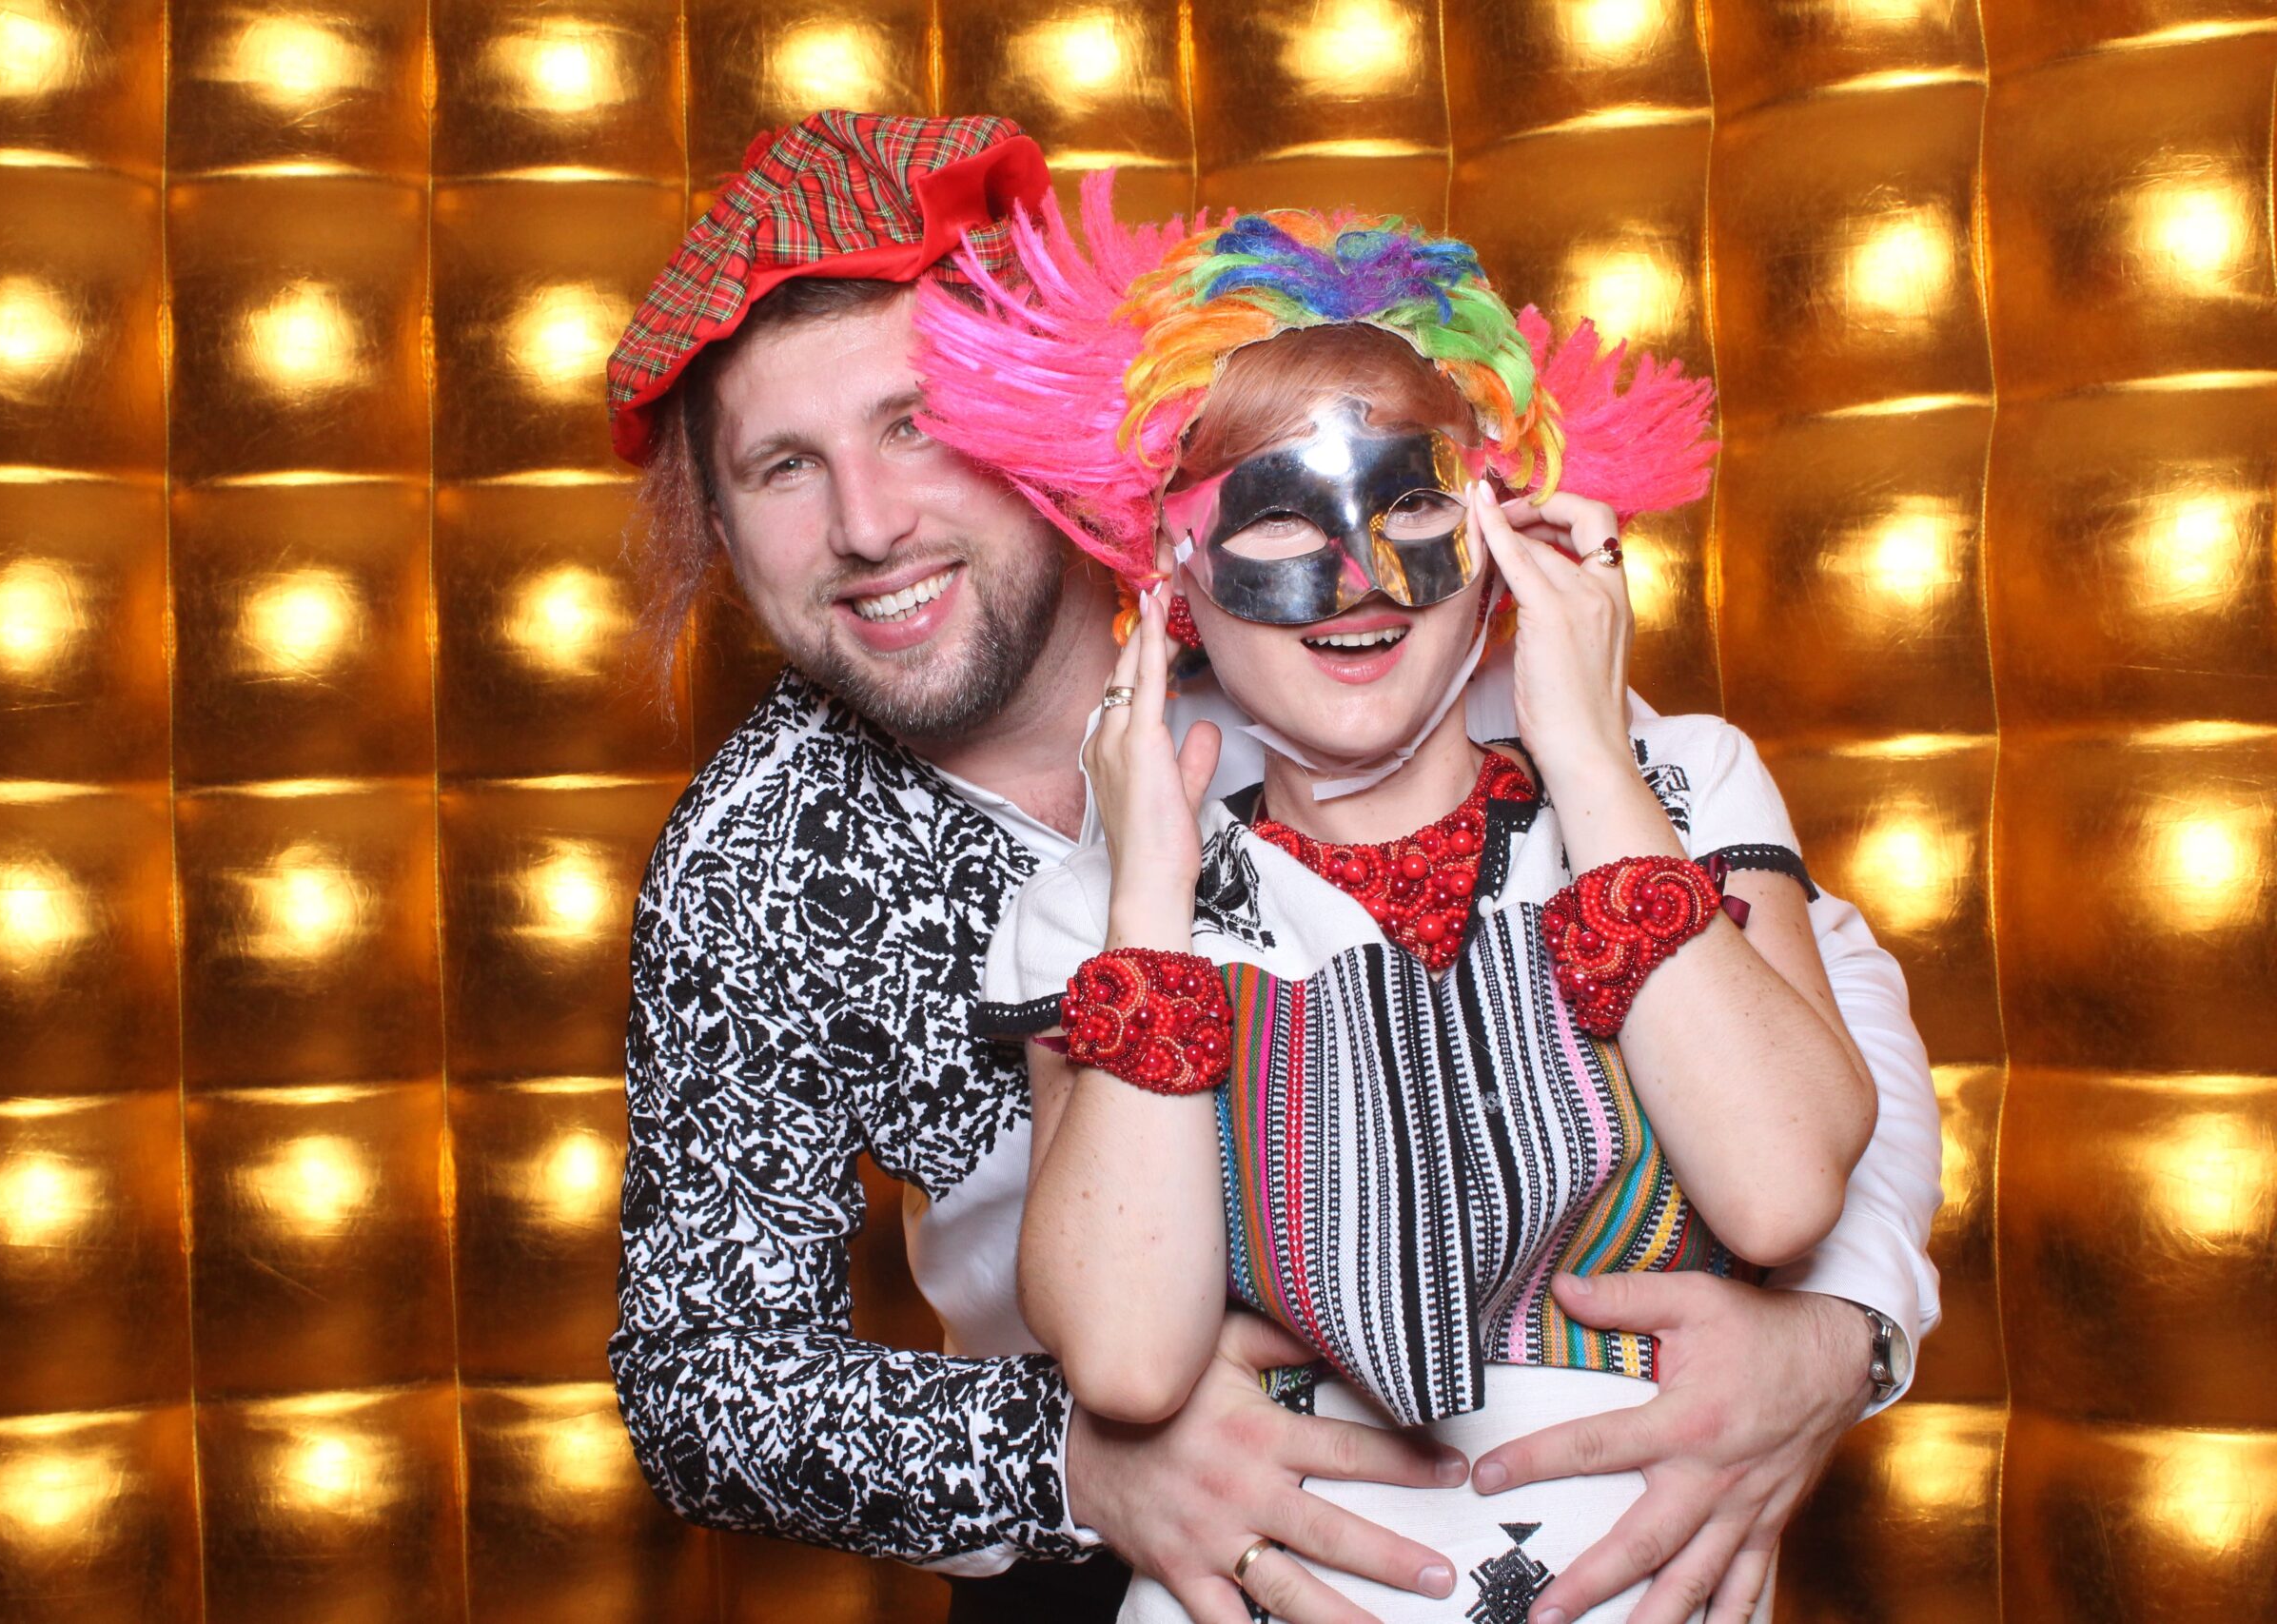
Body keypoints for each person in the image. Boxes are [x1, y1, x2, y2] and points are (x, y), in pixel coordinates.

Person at [606, 110, 1942, 1624]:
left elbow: (1803, 975)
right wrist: (1077, 1464)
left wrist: (1842, 1328)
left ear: (1029, 415)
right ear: (722, 526)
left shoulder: (1356, 622)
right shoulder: (755, 865)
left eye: (913, 424)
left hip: (1579, 1472)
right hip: (1110, 1551)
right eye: (783, 467)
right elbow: (703, 1376)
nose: (867, 524)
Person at [921, 182, 1887, 1624]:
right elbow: (1124, 1356)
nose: (1359, 580)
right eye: (1272, 522)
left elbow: (1783, 1185)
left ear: (1499, 519)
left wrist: (1589, 757)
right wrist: (1151, 905)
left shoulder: (1681, 791)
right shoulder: (1102, 910)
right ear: (1171, 574)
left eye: (1416, 501)